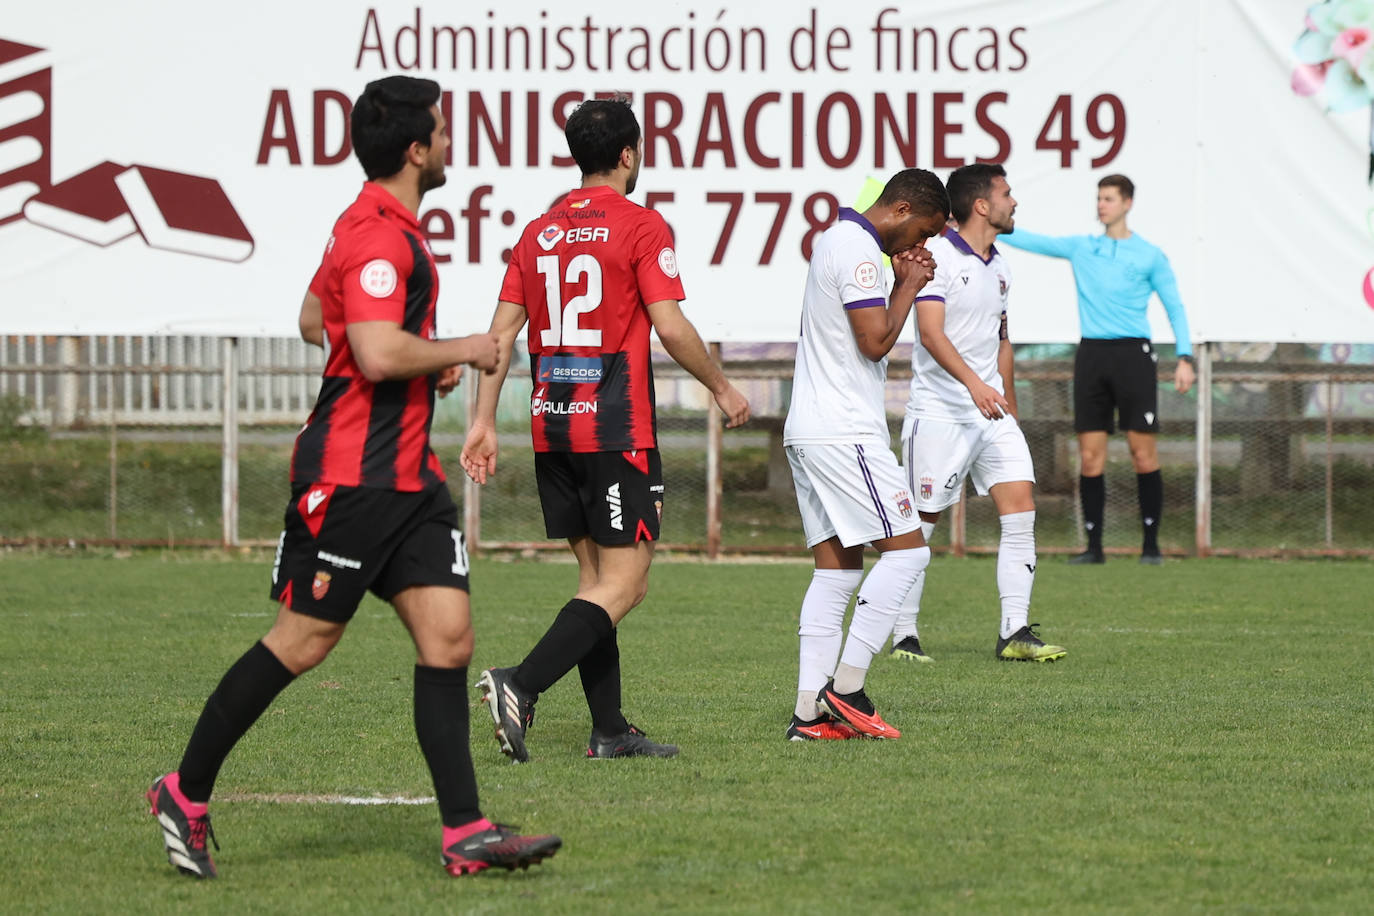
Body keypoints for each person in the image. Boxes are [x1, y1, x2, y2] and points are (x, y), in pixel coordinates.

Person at [146, 76, 560, 880]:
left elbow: (319, 321)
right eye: (441, 132)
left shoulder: (373, 224)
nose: (449, 142)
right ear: (415, 149)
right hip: (350, 477)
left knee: (448, 638)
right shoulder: (377, 233)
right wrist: (460, 350)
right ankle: (184, 792)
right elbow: (370, 352)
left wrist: (416, 365)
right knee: (303, 642)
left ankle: (465, 831)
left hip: (409, 480)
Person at [460, 97, 750, 763]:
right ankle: (520, 685)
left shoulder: (537, 233)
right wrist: (721, 385)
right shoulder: (641, 226)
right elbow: (670, 323)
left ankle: (610, 731)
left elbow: (500, 337)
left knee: (596, 583)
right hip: (613, 428)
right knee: (626, 584)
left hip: (551, 429)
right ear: (628, 155)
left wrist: (482, 421)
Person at [782, 168, 949, 742]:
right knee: (908, 554)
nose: (920, 246)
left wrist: (902, 279)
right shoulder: (856, 249)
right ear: (900, 209)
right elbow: (874, 340)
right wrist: (909, 287)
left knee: (836, 570)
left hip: (810, 429)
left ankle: (808, 716)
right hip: (842, 432)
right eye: (923, 231)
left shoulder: (837, 239)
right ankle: (846, 687)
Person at [888, 164, 1066, 665]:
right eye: (1007, 194)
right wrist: (975, 385)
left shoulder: (1001, 266)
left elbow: (1002, 340)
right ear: (982, 205)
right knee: (921, 527)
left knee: (1022, 509)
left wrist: (1006, 401)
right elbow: (931, 333)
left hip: (991, 414)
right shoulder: (937, 257)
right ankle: (903, 636)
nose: (1014, 202)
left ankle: (1015, 632)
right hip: (940, 413)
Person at [1000, 174, 1194, 564]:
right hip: (1092, 355)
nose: (1101, 205)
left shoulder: (1149, 255)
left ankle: (1151, 546)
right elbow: (1034, 241)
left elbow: (1175, 306)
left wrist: (1185, 357)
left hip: (1133, 356)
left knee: (1143, 454)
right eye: (1099, 198)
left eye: (1108, 198)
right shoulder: (1082, 248)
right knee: (1090, 457)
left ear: (1127, 203)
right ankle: (1094, 548)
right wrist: (980, 223)